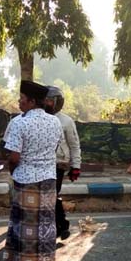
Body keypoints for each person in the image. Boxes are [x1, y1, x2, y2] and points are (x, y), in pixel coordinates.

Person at [2, 80, 63, 261]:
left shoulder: (19, 122)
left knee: (27, 226)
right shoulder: (55, 121)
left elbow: (13, 157)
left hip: (26, 179)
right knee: (46, 225)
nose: (19, 103)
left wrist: (13, 170)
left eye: (22, 99)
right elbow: (54, 149)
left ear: (31, 101)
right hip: (48, 180)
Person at [44, 86, 81, 240]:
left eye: (51, 100)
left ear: (58, 102)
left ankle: (61, 225)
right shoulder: (40, 118)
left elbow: (74, 144)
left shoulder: (66, 121)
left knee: (52, 194)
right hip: (42, 163)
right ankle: (61, 225)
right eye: (45, 100)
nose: (48, 103)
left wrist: (75, 166)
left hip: (58, 164)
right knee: (48, 196)